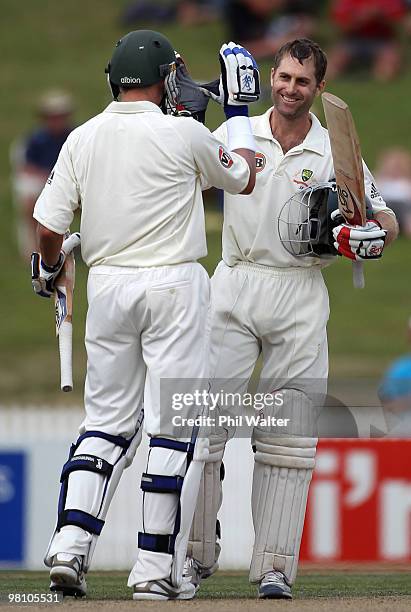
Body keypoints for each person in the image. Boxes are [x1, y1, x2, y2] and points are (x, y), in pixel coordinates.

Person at [31, 30, 259, 600]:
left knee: (105, 423)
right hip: (175, 285)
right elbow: (246, 174)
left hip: (108, 287)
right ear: (166, 78)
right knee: (171, 426)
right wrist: (236, 109)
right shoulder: (183, 131)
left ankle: (69, 547)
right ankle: (154, 570)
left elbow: (48, 227)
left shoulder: (81, 137)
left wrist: (48, 268)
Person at [183, 38, 398, 599]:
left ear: (319, 88)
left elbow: (382, 216)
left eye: (302, 82)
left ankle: (274, 566)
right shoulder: (236, 134)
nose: (289, 89)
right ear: (270, 77)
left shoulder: (333, 151)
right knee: (204, 425)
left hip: (300, 293)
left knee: (288, 440)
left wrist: (373, 236)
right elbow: (184, 177)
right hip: (233, 283)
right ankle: (193, 555)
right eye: (282, 77)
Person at [10, 90, 74, 259]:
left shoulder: (73, 136)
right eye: (53, 116)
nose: (57, 121)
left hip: (69, 182)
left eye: (60, 116)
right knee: (29, 201)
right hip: (44, 181)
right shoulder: (36, 139)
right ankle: (33, 250)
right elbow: (26, 166)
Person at [327, 0, 406, 81]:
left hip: (383, 41)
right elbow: (339, 28)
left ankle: (377, 85)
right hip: (352, 41)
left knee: (387, 71)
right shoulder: (346, 2)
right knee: (331, 67)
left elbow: (399, 25)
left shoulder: (390, 2)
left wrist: (381, 16)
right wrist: (360, 19)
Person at [374, 147, 411, 237]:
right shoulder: (377, 179)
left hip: (403, 208)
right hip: (385, 205)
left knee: (406, 209)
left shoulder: (406, 182)